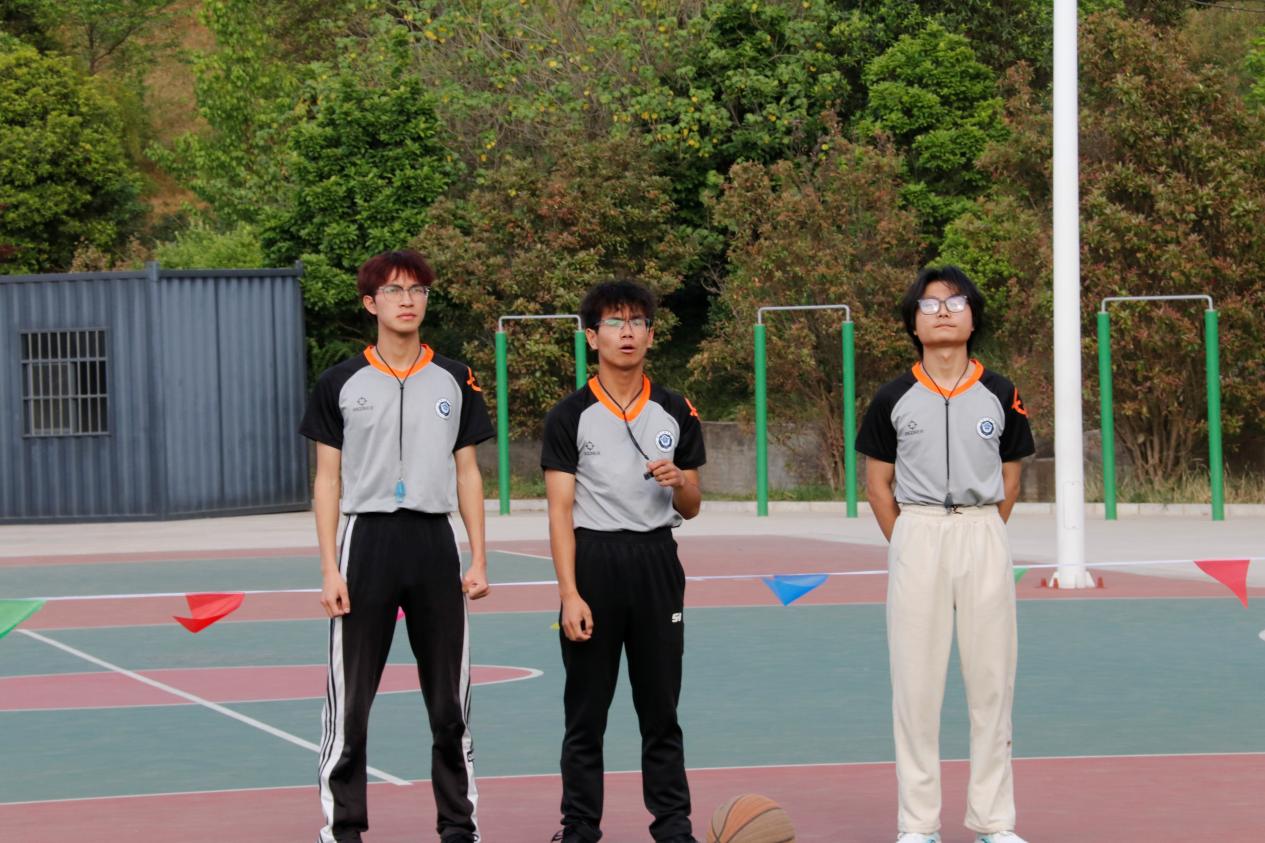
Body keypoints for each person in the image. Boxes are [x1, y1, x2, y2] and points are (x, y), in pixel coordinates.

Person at [300, 249, 494, 843]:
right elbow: (327, 481)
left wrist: (478, 556)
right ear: (370, 303)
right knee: (350, 704)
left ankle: (459, 827)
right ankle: (343, 831)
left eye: (418, 290)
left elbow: (468, 472)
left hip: (434, 540)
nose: (408, 300)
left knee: (450, 704)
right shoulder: (339, 382)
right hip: (366, 541)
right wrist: (330, 568)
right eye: (394, 290)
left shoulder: (456, 378)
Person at [855, 266, 1035, 843]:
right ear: (914, 323)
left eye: (955, 303)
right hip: (918, 530)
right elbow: (877, 485)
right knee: (916, 686)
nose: (943, 313)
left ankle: (994, 822)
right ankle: (918, 825)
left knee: (992, 684)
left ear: (973, 317)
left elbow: (1011, 477)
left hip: (983, 531)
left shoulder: (1001, 393)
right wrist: (911, 540)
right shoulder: (892, 397)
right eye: (929, 305)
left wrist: (982, 530)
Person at [541, 279, 706, 843]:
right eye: (614, 322)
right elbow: (559, 512)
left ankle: (673, 826)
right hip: (594, 562)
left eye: (637, 322)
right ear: (593, 337)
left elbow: (692, 505)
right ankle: (580, 827)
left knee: (661, 710)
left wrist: (680, 480)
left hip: (656, 560)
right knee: (586, 713)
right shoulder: (570, 415)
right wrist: (569, 594)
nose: (627, 332)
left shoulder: (675, 409)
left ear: (651, 335)